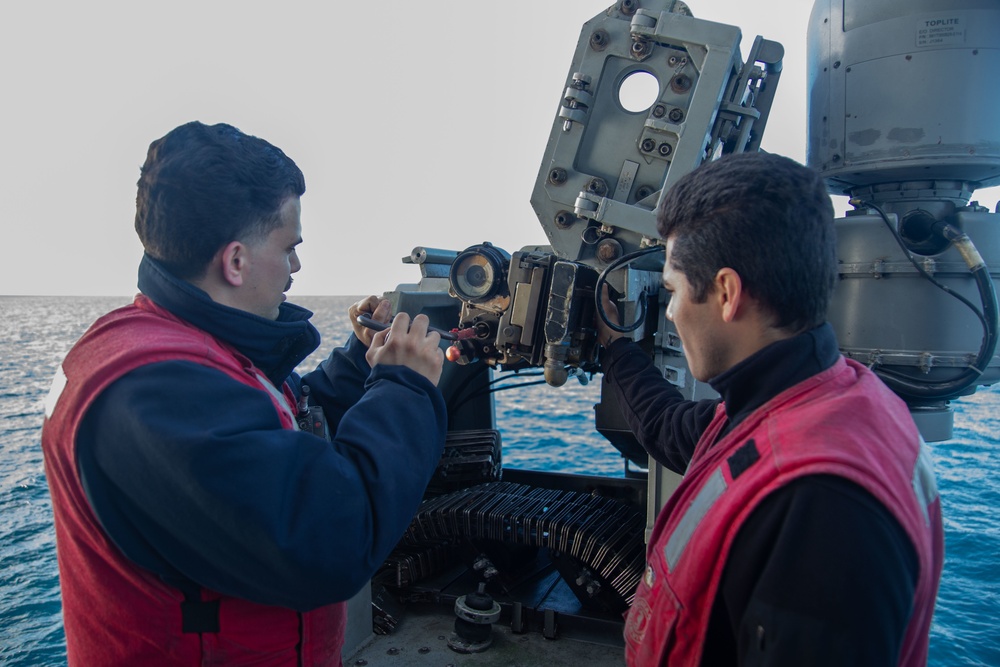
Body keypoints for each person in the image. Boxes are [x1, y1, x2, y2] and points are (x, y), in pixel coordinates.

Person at [41, 121, 447, 666]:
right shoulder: (153, 389)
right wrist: (403, 386)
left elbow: (272, 438)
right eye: (288, 247)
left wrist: (360, 362)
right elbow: (329, 543)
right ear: (234, 261)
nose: (296, 267)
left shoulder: (169, 348)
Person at [597, 152, 944, 666]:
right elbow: (670, 428)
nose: (669, 311)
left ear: (726, 293)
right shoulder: (812, 397)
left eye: (672, 290)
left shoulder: (822, 508)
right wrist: (615, 349)